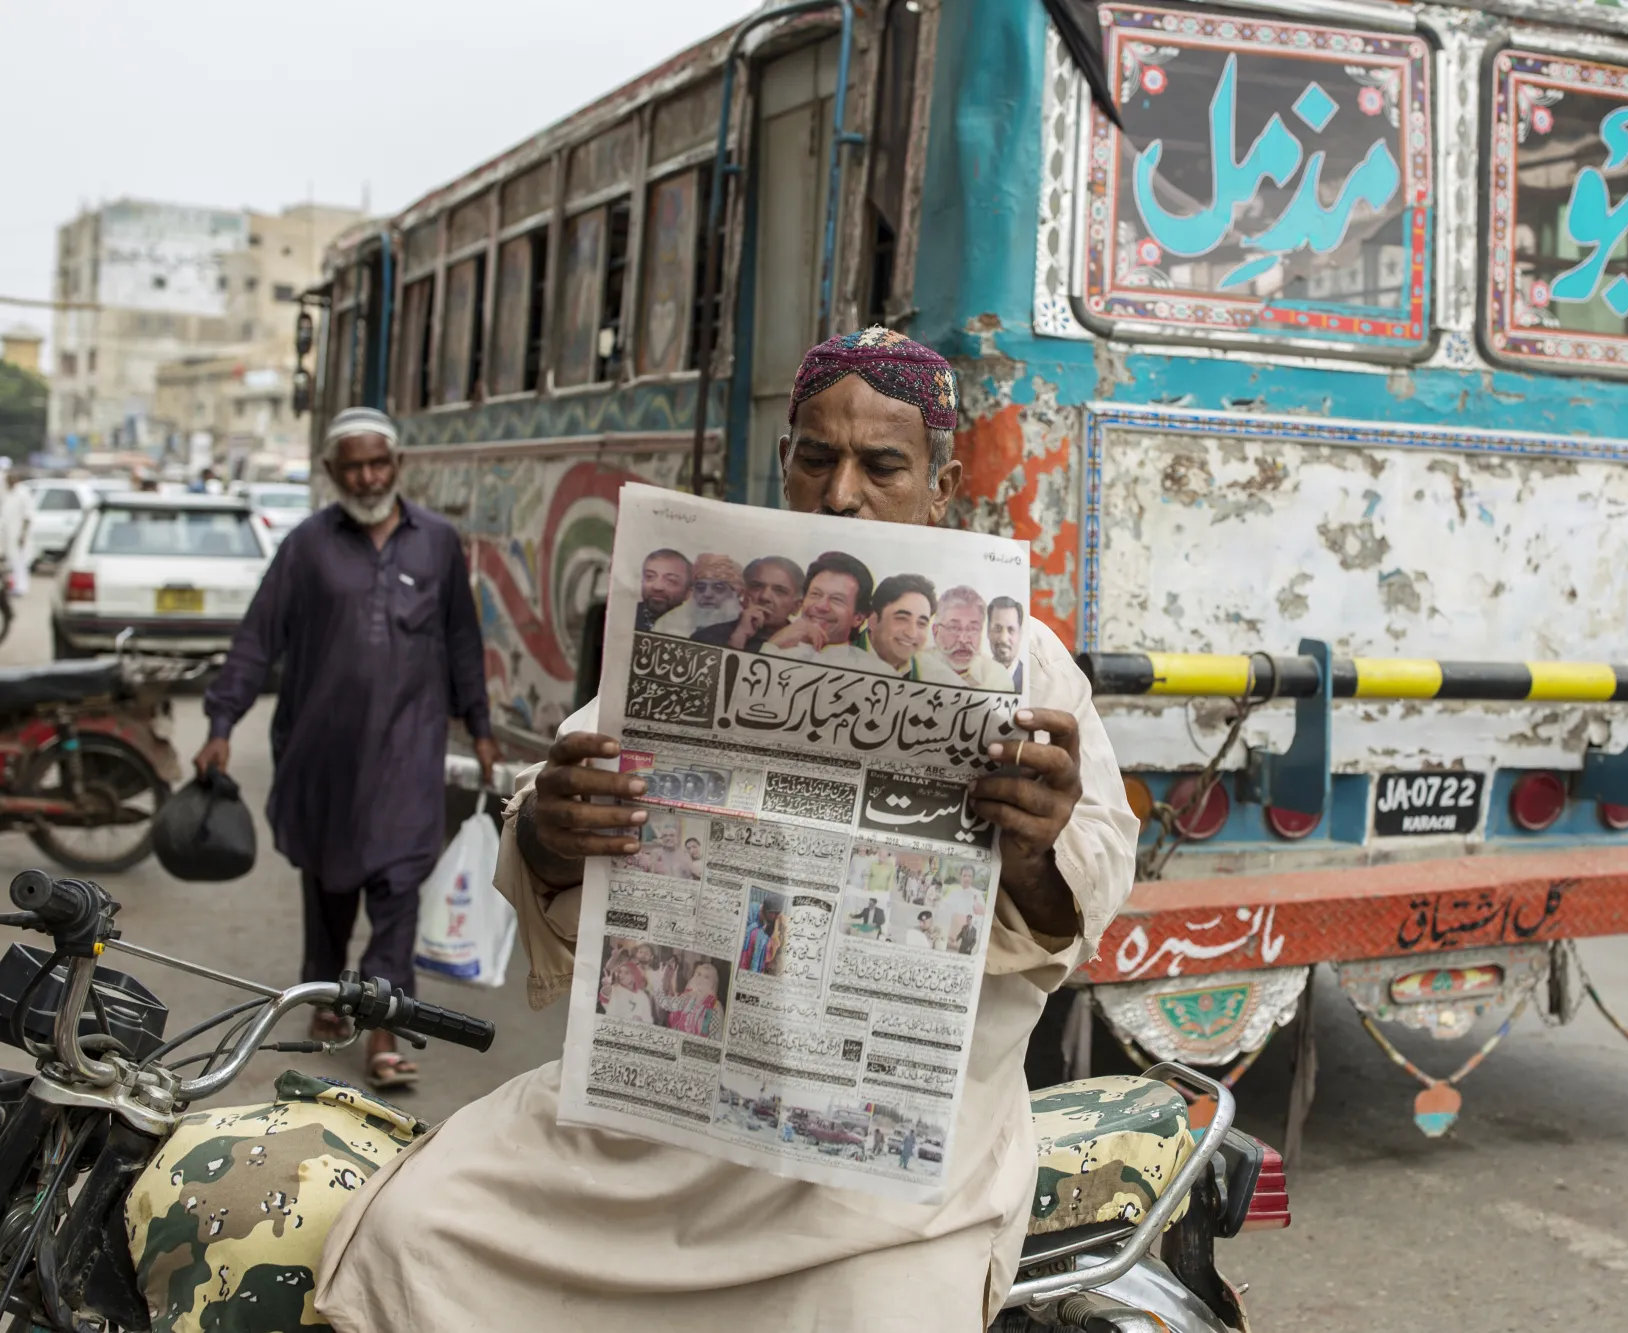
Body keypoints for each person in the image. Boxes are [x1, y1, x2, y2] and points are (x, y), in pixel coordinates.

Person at [318, 326, 1139, 1333]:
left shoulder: (1028, 668)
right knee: (411, 1232)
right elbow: (552, 807)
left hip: (884, 1166)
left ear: (942, 482)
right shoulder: (703, 630)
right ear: (783, 460)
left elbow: (1080, 897)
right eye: (814, 457)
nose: (840, 493)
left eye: (881, 466)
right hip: (659, 1133)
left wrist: (1030, 846)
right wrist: (552, 833)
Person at [196, 406, 497, 1092]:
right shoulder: (307, 546)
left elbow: (460, 642)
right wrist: (220, 723)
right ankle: (331, 996)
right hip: (323, 756)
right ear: (332, 472)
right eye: (353, 466)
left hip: (408, 754)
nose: (367, 477)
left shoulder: (438, 543)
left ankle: (384, 1033)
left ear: (398, 465)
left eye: (378, 463)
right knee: (330, 887)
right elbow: (256, 637)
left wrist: (479, 726)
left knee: (397, 888)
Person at [761, 551, 878, 670]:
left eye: (837, 599)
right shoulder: (773, 650)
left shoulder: (875, 673)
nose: (821, 606)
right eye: (815, 594)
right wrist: (773, 646)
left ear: (858, 618)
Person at [694, 555, 806, 651]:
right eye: (757, 586)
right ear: (744, 593)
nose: (764, 596)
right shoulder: (706, 638)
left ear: (796, 607)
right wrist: (739, 638)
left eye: (779, 591)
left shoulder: (804, 647)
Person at [932, 585, 1016, 690]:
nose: (963, 639)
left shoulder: (997, 678)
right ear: (935, 631)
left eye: (972, 629)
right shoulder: (917, 667)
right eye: (954, 627)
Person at [655, 553, 745, 637]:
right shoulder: (667, 623)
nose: (707, 594)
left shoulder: (747, 626)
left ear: (736, 593)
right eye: (700, 587)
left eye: (718, 588)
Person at [867, 573, 937, 675]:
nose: (911, 634)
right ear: (873, 621)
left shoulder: (933, 674)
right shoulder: (840, 657)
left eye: (921, 623)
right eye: (902, 619)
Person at [635, 548, 692, 631]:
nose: (657, 587)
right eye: (650, 576)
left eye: (670, 581)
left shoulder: (697, 630)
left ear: (688, 592)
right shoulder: (621, 614)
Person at [0, 470, 31, 598]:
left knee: (19, 561)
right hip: (5, 534)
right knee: (6, 561)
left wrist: (23, 535)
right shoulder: (6, 492)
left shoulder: (23, 493)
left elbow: (28, 517)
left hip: (17, 534)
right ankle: (8, 585)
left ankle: (20, 587)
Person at [988, 596, 1026, 693]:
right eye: (997, 629)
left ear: (1020, 634)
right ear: (988, 631)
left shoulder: (1030, 678)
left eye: (1011, 630)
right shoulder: (975, 678)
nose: (1004, 639)